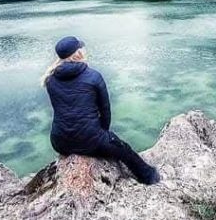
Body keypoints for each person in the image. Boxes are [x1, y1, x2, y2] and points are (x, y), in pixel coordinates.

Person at [41, 36, 160, 185]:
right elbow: (105, 111)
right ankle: (150, 177)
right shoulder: (93, 76)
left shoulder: (50, 79)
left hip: (60, 142)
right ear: (78, 54)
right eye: (81, 48)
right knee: (124, 149)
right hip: (90, 140)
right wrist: (102, 135)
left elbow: (64, 109)